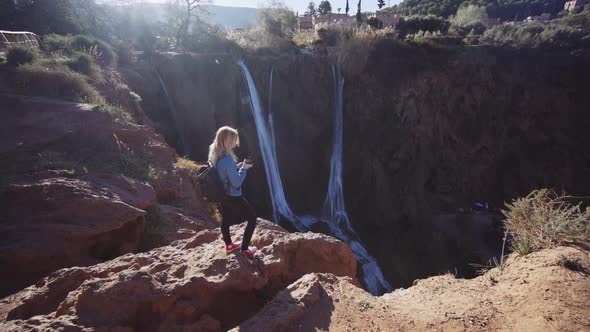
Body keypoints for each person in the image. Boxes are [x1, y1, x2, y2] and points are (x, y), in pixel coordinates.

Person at [208, 126, 258, 258]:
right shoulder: (228, 160)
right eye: (234, 140)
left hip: (223, 195)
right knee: (252, 218)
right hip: (233, 196)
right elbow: (236, 183)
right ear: (227, 141)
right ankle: (245, 249)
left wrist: (237, 166)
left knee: (226, 219)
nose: (236, 144)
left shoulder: (216, 156)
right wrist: (244, 169)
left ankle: (229, 245)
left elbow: (223, 173)